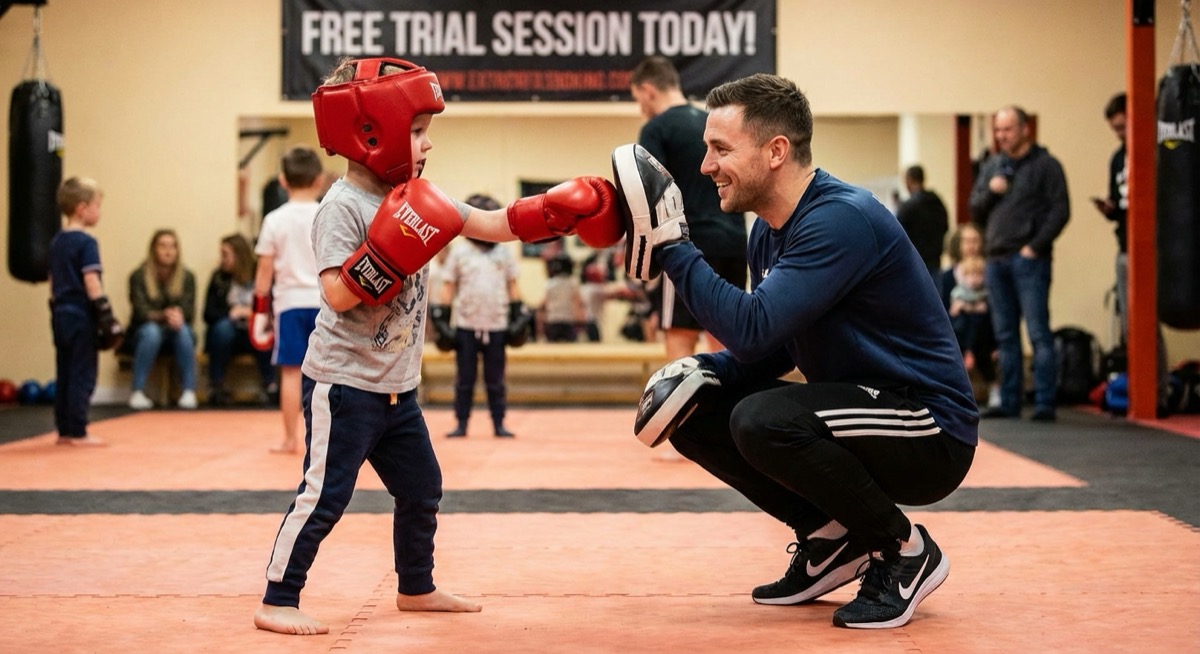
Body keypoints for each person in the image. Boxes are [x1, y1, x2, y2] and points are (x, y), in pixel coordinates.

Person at [254, 56, 624, 636]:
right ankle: (278, 596)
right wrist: (385, 258)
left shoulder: (421, 195)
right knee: (325, 495)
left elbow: (490, 224)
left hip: (399, 390)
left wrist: (556, 212)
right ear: (371, 131)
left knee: (423, 488)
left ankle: (415, 587)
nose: (427, 144)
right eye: (418, 130)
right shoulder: (341, 207)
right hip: (344, 386)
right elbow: (334, 293)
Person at [615, 72, 977, 629]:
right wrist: (702, 368)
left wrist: (673, 244)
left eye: (719, 150)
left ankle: (905, 551)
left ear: (776, 151)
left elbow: (754, 329)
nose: (706, 166)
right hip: (864, 406)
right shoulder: (768, 229)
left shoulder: (839, 219)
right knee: (694, 408)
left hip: (928, 426)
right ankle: (831, 540)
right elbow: (776, 347)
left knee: (764, 419)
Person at [630, 56, 748, 360]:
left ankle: (684, 408)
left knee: (680, 336)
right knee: (724, 335)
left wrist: (640, 256)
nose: (640, 107)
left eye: (637, 99)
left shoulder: (657, 129)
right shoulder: (713, 124)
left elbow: (647, 195)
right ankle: (728, 407)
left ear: (648, 90)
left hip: (689, 246)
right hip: (734, 242)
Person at [969, 105, 1070, 421]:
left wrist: (1035, 247)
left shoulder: (1046, 166)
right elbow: (975, 209)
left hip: (1029, 261)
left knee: (1038, 332)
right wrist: (991, 191)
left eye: (1007, 129)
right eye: (998, 130)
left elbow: (1060, 211)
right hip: (996, 261)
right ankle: (1009, 401)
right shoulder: (993, 166)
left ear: (1025, 129)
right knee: (1005, 336)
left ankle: (1044, 403)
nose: (1001, 136)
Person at [1091, 92, 1170, 411]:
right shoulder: (1117, 158)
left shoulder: (1157, 154)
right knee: (1132, 326)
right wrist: (1109, 209)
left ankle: (1159, 395)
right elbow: (1119, 202)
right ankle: (1141, 393)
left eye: (1124, 126)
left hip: (1158, 248)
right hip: (1125, 248)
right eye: (1115, 129)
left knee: (1149, 322)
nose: (1121, 134)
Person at [251, 145, 325, 453]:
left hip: (290, 305)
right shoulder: (327, 213)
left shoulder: (274, 219)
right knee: (326, 378)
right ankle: (324, 443)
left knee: (292, 374)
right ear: (320, 180)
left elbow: (264, 271)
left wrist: (258, 312)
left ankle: (290, 439)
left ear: (282, 180)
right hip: (326, 303)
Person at [434, 193, 523, 438]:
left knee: (496, 380)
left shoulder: (503, 254)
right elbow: (448, 285)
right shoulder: (460, 253)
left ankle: (498, 423)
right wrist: (441, 316)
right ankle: (461, 423)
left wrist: (518, 314)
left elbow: (512, 285)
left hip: (496, 325)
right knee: (465, 379)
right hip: (466, 325)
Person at [47, 177, 121, 447]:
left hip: (60, 312)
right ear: (82, 208)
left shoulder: (56, 241)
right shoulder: (86, 242)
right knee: (82, 372)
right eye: (97, 205)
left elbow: (53, 283)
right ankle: (79, 431)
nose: (99, 211)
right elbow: (91, 281)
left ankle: (64, 429)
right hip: (81, 313)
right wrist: (106, 315)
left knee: (65, 370)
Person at [125, 228, 199, 410]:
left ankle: (189, 391)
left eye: (173, 246)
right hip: (144, 333)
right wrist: (163, 315)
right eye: (163, 246)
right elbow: (140, 312)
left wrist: (177, 316)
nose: (168, 251)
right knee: (151, 332)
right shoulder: (139, 276)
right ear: (153, 250)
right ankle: (137, 391)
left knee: (183, 331)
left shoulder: (187, 277)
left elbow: (189, 312)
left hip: (176, 332)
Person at [203, 233, 274, 407]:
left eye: (225, 254)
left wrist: (249, 312)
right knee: (222, 329)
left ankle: (270, 386)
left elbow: (272, 307)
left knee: (264, 328)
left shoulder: (260, 275)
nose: (222, 259)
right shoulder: (218, 277)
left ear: (239, 255)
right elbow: (208, 313)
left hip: (253, 332)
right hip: (229, 334)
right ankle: (216, 386)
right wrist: (231, 312)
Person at [940, 223, 999, 407]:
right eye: (967, 241)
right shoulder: (948, 275)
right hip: (958, 326)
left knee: (978, 322)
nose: (971, 246)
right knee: (960, 322)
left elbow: (995, 307)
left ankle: (993, 386)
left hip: (984, 327)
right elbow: (943, 307)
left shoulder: (990, 272)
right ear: (958, 244)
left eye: (975, 241)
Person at [895, 164, 949, 286]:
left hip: (915, 264)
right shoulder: (937, 202)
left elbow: (897, 234)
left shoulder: (907, 207)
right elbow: (946, 227)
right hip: (935, 260)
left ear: (908, 181)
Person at [540, 254, 584, 342]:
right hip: (568, 321)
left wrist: (541, 324)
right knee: (570, 352)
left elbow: (543, 304)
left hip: (552, 321)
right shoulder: (573, 283)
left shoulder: (550, 284)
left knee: (552, 351)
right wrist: (581, 321)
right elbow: (578, 302)